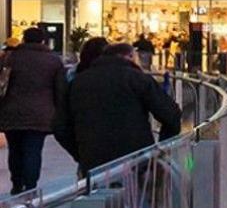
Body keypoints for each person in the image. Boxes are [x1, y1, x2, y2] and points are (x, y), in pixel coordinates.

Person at [54, 42, 182, 176]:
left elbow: (60, 127)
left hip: (93, 163)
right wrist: (161, 147)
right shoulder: (138, 79)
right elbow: (171, 114)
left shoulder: (78, 83)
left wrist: (80, 153)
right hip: (137, 162)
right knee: (135, 196)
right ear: (129, 56)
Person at [0, 27, 68, 195]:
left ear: (23, 39)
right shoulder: (53, 60)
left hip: (11, 112)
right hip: (41, 113)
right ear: (43, 41)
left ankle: (16, 183)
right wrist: (61, 113)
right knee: (33, 150)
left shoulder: (10, 58)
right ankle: (30, 186)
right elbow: (60, 90)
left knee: (15, 150)